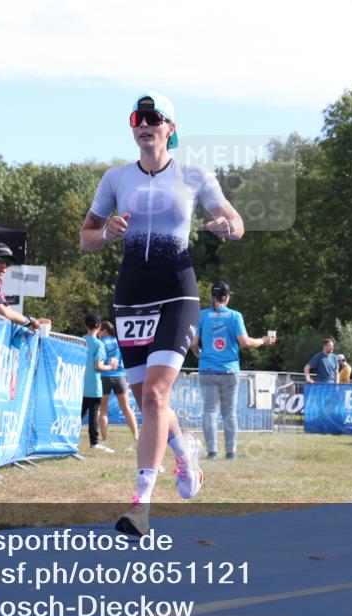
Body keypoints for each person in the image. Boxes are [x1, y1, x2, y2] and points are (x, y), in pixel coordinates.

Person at [80, 92, 241, 536]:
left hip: (177, 290)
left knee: (154, 396)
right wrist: (106, 231)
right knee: (148, 399)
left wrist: (227, 227)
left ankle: (140, 505)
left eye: (154, 118)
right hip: (131, 293)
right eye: (138, 117)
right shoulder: (115, 178)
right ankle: (184, 451)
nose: (144, 124)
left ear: (170, 127)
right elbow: (85, 237)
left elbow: (235, 220)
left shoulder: (194, 175)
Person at [192, 281, 275, 460]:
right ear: (227, 297)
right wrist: (263, 340)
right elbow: (245, 342)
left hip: (207, 369)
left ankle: (212, 452)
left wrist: (199, 354)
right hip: (229, 371)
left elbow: (193, 343)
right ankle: (231, 453)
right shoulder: (235, 316)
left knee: (209, 411)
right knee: (229, 413)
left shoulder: (202, 316)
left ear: (212, 297)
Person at [0, 242, 51, 331]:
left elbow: (8, 309)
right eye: (0, 260)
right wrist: (28, 322)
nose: (4, 266)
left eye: (8, 262)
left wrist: (31, 320)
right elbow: (4, 313)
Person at [98, 320, 139, 445]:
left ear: (104, 330)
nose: (98, 332)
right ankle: (136, 436)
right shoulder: (119, 341)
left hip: (105, 376)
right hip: (120, 376)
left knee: (103, 409)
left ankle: (104, 439)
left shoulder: (101, 343)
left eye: (99, 329)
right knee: (126, 408)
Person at [82, 314, 119, 453]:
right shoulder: (99, 344)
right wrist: (111, 367)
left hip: (80, 385)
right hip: (93, 386)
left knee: (78, 414)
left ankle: (65, 434)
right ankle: (94, 442)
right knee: (93, 415)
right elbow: (98, 366)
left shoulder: (80, 340)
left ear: (85, 326)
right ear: (99, 327)